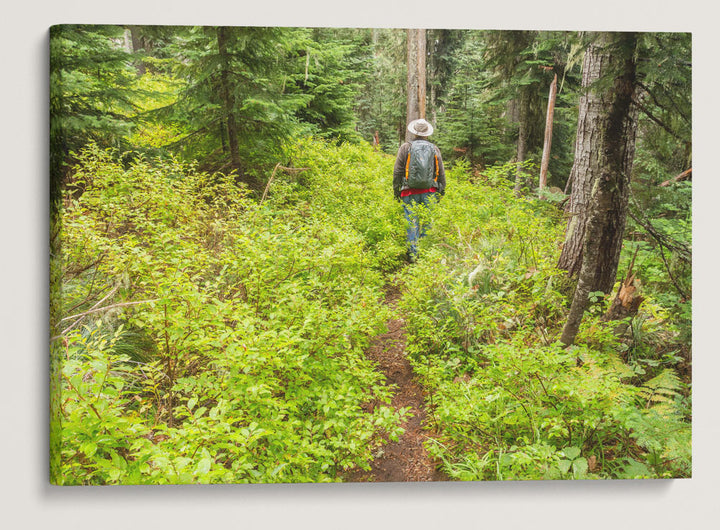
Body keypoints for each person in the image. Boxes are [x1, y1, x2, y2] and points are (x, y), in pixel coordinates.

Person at [393, 119, 446, 262]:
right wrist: (442, 190)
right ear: (427, 134)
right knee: (427, 222)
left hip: (409, 192)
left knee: (411, 222)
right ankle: (424, 254)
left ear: (414, 132)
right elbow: (441, 172)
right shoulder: (434, 149)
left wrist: (396, 190)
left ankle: (412, 255)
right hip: (430, 192)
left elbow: (397, 171)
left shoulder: (405, 147)